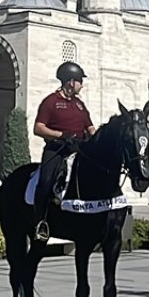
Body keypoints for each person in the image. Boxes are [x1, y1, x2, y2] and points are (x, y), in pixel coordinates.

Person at [32, 61, 96, 241]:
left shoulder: (80, 105)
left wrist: (98, 140)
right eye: (79, 81)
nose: (81, 85)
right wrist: (61, 135)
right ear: (70, 82)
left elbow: (90, 128)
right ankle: (41, 222)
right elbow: (38, 128)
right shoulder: (51, 102)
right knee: (45, 181)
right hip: (57, 149)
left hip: (78, 149)